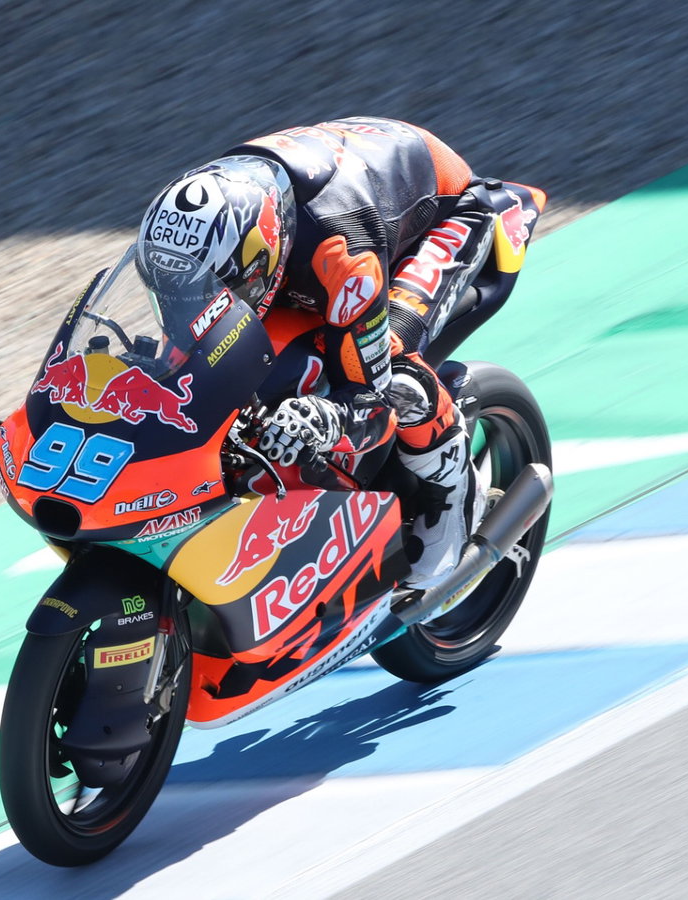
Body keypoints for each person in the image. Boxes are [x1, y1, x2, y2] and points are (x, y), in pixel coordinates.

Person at [135, 117, 518, 590]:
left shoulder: (342, 255)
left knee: (391, 367)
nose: (179, 311)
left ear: (260, 260)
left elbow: (369, 404)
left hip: (448, 212)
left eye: (206, 291)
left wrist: (322, 419)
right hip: (343, 194)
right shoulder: (206, 213)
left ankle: (452, 490)